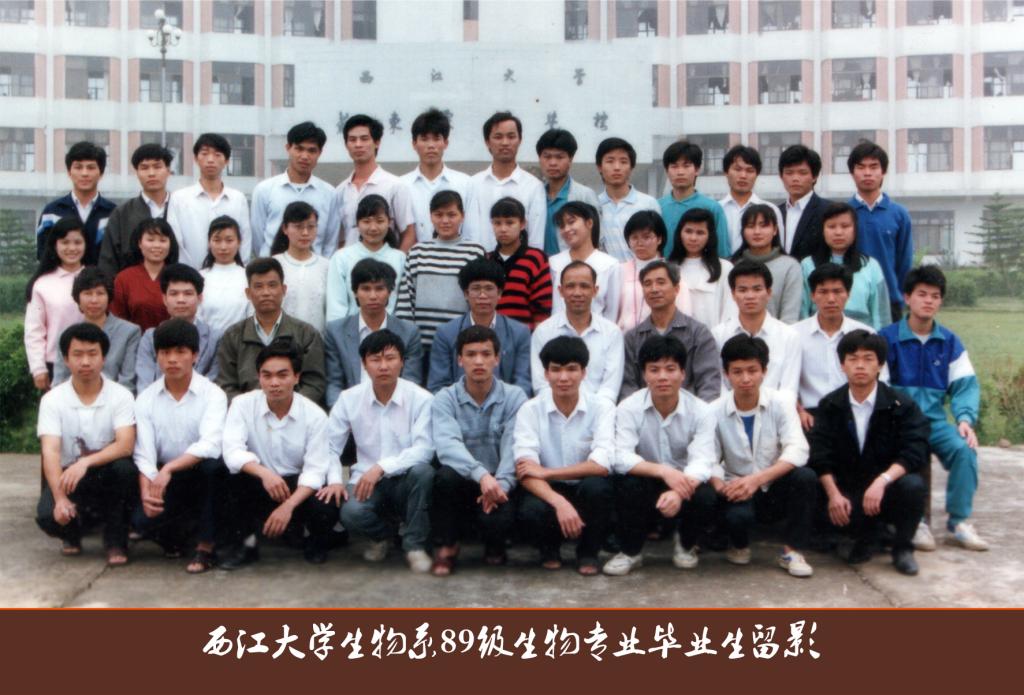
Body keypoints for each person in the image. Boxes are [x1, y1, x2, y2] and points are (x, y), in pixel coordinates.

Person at [879, 266, 989, 552]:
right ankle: (917, 523)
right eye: (922, 294)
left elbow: (965, 386)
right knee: (911, 456)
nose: (928, 301)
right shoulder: (887, 339)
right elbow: (881, 388)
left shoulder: (950, 342)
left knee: (964, 450)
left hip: (936, 423)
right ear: (907, 298)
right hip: (900, 423)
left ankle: (958, 523)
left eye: (935, 296)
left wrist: (964, 419)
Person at [809, 330, 929, 575]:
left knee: (913, 485)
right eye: (852, 359)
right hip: (848, 491)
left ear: (880, 365)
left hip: (885, 488)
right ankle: (865, 536)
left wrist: (882, 481)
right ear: (842, 365)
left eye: (868, 359)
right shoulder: (830, 405)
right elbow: (820, 453)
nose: (860, 366)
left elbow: (915, 449)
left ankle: (902, 548)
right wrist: (833, 494)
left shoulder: (901, 405)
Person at [604, 335, 718, 575]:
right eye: (654, 370)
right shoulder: (629, 407)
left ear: (683, 373)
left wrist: (678, 490)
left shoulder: (702, 411)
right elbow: (621, 456)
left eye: (670, 369)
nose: (662, 377)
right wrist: (664, 472)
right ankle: (631, 552)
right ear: (644, 374)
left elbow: (703, 460)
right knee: (626, 483)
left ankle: (685, 546)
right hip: (648, 477)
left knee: (706, 494)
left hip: (685, 481)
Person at [323, 330, 436, 573]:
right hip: (365, 480)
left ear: (402, 361)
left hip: (405, 478)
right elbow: (330, 445)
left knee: (424, 472)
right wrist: (335, 480)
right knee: (351, 513)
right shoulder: (349, 399)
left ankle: (414, 545)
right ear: (364, 364)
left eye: (390, 358)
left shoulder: (422, 399)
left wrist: (382, 467)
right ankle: (382, 536)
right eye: (375, 359)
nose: (383, 366)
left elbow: (425, 449)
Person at [219, 339, 338, 567]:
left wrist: (288, 506)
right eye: (267, 375)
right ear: (259, 377)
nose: (274, 383)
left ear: (296, 377)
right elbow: (232, 451)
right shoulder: (242, 405)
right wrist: (264, 474)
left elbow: (315, 470)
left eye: (283, 375)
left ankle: (314, 541)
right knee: (229, 478)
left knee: (325, 501)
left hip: (297, 487)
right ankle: (246, 546)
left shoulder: (315, 416)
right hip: (261, 481)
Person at [709, 334, 817, 578]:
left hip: (773, 486)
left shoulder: (781, 402)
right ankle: (738, 544)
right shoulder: (714, 410)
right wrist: (723, 488)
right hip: (736, 487)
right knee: (737, 521)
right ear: (726, 374)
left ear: (764, 372)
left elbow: (798, 448)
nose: (745, 379)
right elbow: (710, 458)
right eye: (737, 372)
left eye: (752, 370)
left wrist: (757, 480)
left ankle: (792, 550)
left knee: (805, 477)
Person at [430, 326, 528, 575]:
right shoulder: (445, 398)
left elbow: (514, 446)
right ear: (459, 360)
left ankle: (494, 543)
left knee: (498, 521)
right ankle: (448, 546)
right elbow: (447, 445)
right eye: (471, 354)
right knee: (444, 478)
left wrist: (500, 486)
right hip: (464, 478)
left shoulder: (514, 397)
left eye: (486, 354)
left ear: (497, 358)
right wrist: (481, 475)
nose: (479, 361)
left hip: (501, 480)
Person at [36, 323, 136, 566]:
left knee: (124, 469)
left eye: (93, 354)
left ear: (104, 358)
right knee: (48, 516)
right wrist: (60, 498)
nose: (85, 362)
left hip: (106, 472)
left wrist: (85, 462)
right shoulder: (52, 399)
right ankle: (72, 534)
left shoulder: (121, 395)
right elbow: (50, 451)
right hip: (69, 477)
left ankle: (115, 541)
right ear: (66, 359)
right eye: (77, 355)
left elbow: (125, 445)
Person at [133, 319, 228, 573]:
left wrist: (170, 469)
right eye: (165, 352)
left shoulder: (213, 394)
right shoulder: (145, 399)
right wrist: (148, 493)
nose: (172, 359)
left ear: (195, 355)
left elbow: (210, 444)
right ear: (157, 356)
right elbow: (144, 454)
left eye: (180, 352)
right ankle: (179, 536)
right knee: (142, 521)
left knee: (214, 468)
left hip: (199, 472)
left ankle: (205, 547)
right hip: (166, 477)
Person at [514, 336, 615, 576]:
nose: (563, 377)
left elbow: (601, 465)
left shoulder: (601, 407)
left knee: (598, 488)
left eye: (571, 369)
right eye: (556, 370)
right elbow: (525, 469)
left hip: (584, 486)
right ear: (546, 374)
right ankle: (549, 549)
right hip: (549, 490)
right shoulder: (530, 410)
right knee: (530, 509)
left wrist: (547, 472)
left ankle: (588, 552)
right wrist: (559, 502)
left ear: (584, 372)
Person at [216, 257, 326, 404]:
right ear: (248, 293)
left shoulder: (306, 334)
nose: (266, 292)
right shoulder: (233, 336)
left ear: (284, 290)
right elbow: (226, 385)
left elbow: (314, 384)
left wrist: (286, 408)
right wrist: (252, 409)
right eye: (258, 286)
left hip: (294, 412)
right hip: (247, 413)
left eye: (272, 285)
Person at [794, 263, 882, 431]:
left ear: (848, 294)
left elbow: (881, 380)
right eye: (823, 292)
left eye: (837, 291)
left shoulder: (866, 334)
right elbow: (785, 383)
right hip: (809, 416)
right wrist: (798, 411)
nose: (831, 299)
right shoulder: (794, 335)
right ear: (812, 295)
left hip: (856, 414)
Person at [324, 259, 423, 407]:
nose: (373, 296)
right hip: (351, 410)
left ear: (389, 291)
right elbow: (334, 383)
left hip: (397, 408)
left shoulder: (408, 333)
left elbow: (411, 382)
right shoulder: (336, 331)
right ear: (355, 292)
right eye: (366, 289)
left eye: (379, 288)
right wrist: (343, 413)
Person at [396, 190, 485, 354]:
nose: (445, 221)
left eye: (451, 215)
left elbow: (479, 299)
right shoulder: (417, 252)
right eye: (438, 215)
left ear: (462, 216)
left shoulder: (474, 252)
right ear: (430, 216)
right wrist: (408, 342)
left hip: (461, 345)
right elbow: (405, 303)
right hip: (420, 346)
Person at [620, 261, 720, 402]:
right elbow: (628, 386)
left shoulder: (698, 333)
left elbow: (709, 384)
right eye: (647, 284)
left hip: (691, 412)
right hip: (644, 413)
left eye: (661, 282)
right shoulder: (633, 338)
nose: (654, 289)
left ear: (676, 289)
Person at [429, 258, 532, 395]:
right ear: (466, 294)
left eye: (489, 289)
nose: (483, 295)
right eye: (476, 289)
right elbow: (438, 386)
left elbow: (523, 384)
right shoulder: (446, 333)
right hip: (457, 405)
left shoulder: (519, 332)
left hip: (507, 405)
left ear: (499, 293)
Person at [531, 261, 624, 403]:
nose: (577, 293)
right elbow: (541, 385)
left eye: (584, 286)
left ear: (595, 290)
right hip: (554, 410)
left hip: (599, 412)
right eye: (570, 286)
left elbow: (610, 388)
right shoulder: (544, 332)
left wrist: (591, 411)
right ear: (560, 291)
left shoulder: (612, 332)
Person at [250, 121, 342, 257]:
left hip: (315, 268)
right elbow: (258, 240)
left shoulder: (329, 193)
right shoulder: (264, 190)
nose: (304, 156)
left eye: (311, 150)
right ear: (288, 148)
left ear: (320, 153)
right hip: (273, 266)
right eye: (299, 149)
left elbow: (330, 243)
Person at [711, 260, 801, 397]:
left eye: (757, 289)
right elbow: (720, 386)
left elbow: (789, 390)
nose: (750, 296)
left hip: (775, 409)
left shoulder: (789, 336)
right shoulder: (718, 335)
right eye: (742, 290)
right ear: (733, 294)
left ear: (769, 292)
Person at [847, 141, 913, 322]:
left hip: (890, 302)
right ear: (852, 173)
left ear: (883, 171)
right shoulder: (843, 214)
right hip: (850, 302)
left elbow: (905, 262)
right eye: (861, 167)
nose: (867, 173)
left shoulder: (899, 214)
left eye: (874, 167)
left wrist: (900, 296)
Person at [166, 132, 252, 268]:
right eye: (204, 153)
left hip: (230, 274)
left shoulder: (238, 198)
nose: (210, 160)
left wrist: (238, 270)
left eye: (217, 154)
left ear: (227, 161)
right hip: (189, 275)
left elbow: (245, 239)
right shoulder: (179, 198)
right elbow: (176, 242)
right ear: (196, 158)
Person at [462, 111, 546, 249]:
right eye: (498, 137)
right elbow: (468, 232)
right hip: (480, 260)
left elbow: (536, 240)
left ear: (520, 140)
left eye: (511, 136)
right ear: (487, 142)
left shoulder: (534, 187)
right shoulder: (473, 184)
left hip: (521, 261)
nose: (505, 143)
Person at [800, 201, 891, 329]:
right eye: (831, 227)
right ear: (822, 230)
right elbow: (802, 311)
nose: (838, 232)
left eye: (845, 226)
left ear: (855, 229)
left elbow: (881, 316)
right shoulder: (807, 265)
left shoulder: (871, 266)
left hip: (861, 337)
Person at [135, 263, 221, 391]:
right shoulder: (150, 337)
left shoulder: (215, 338)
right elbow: (144, 383)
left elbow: (214, 381)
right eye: (174, 294)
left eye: (188, 294)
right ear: (164, 299)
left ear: (199, 298)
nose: (181, 300)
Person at [53, 268, 141, 391]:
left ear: (109, 297)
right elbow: (60, 380)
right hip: (74, 398)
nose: (94, 300)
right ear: (77, 298)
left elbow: (128, 380)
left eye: (100, 293)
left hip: (116, 399)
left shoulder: (129, 332)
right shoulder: (66, 334)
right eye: (88, 293)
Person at [337, 114, 417, 251]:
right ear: (346, 145)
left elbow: (409, 234)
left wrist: (397, 262)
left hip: (385, 263)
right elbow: (341, 238)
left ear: (377, 142)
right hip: (350, 263)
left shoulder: (395, 186)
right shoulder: (341, 190)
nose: (358, 145)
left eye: (364, 139)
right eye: (352, 140)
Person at [24, 216, 86, 390]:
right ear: (55, 245)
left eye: (77, 242)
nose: (72, 248)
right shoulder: (42, 284)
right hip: (54, 364)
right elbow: (34, 330)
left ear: (86, 245)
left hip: (92, 362)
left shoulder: (96, 278)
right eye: (65, 242)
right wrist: (38, 368)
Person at [325, 194, 406, 322]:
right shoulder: (341, 258)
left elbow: (402, 306)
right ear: (357, 223)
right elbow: (336, 307)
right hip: (350, 331)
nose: (373, 228)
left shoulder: (400, 259)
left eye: (380, 221)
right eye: (366, 221)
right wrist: (339, 333)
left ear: (389, 222)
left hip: (391, 332)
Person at [98, 143, 173, 279]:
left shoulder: (182, 207)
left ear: (168, 170)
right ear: (136, 173)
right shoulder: (122, 213)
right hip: (132, 288)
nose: (151, 173)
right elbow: (109, 260)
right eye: (144, 168)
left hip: (178, 287)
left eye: (157, 167)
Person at [35, 141, 115, 265]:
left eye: (91, 167)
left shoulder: (114, 214)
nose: (84, 173)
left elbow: (118, 258)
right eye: (78, 167)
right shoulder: (51, 213)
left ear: (101, 173)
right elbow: (43, 256)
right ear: (69, 172)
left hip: (101, 278)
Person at [399, 108, 472, 244]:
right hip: (414, 256)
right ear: (414, 144)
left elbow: (469, 230)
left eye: (436, 139)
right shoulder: (401, 185)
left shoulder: (464, 183)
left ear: (446, 143)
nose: (431, 145)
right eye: (424, 139)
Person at [616, 210, 691, 332]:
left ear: (659, 239)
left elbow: (684, 311)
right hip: (626, 338)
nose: (640, 243)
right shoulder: (619, 270)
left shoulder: (672, 271)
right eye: (634, 237)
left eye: (646, 237)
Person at [486, 196, 553, 329]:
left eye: (510, 223)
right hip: (490, 335)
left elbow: (542, 306)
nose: (503, 229)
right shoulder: (487, 260)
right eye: (497, 223)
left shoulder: (536, 258)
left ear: (522, 224)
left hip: (524, 334)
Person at [549, 201, 621, 321]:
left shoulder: (610, 264)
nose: (566, 229)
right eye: (562, 226)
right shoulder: (554, 263)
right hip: (557, 330)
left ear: (589, 223)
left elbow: (612, 312)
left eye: (571, 222)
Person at [731, 203, 803, 324]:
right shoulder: (732, 265)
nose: (757, 232)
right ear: (743, 231)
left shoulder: (790, 266)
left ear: (775, 230)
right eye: (750, 226)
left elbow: (790, 316)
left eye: (763, 226)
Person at [658, 140, 730, 258]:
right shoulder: (657, 207)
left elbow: (722, 253)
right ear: (667, 171)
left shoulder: (712, 208)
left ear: (697, 169)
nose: (680, 172)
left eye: (686, 166)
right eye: (674, 166)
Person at [668, 208, 738, 328]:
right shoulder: (668, 268)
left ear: (710, 236)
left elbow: (730, 312)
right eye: (688, 231)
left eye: (700, 233)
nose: (693, 238)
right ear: (679, 233)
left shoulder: (724, 268)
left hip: (713, 336)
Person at [594, 137, 660, 261]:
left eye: (623, 162)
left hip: (641, 271)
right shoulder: (595, 205)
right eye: (610, 161)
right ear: (599, 167)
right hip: (607, 272)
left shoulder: (648, 203)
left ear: (631, 167)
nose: (617, 167)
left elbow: (658, 245)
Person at [535, 128, 599, 256]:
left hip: (574, 264)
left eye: (559, 157)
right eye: (547, 156)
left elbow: (596, 236)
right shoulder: (535, 194)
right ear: (539, 158)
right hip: (539, 265)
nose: (553, 163)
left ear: (570, 159)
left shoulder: (585, 195)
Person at [270, 201, 331, 333]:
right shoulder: (273, 265)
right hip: (280, 341)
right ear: (285, 228)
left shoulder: (327, 266)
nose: (305, 233)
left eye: (311, 227)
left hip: (317, 341)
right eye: (298, 227)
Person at [111, 217, 179, 331]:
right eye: (150, 240)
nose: (157, 245)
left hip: (173, 339)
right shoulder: (124, 278)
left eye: (163, 240)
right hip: (134, 340)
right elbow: (117, 320)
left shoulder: (179, 276)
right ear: (139, 243)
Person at [718, 145, 783, 254]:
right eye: (737, 169)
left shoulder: (771, 210)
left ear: (756, 175)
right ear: (726, 172)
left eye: (750, 170)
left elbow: (779, 248)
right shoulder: (716, 209)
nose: (743, 175)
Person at [197, 215, 252, 334]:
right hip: (206, 340)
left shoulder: (248, 276)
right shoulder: (199, 277)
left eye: (229, 240)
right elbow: (196, 315)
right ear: (209, 243)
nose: (223, 247)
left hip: (240, 340)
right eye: (217, 240)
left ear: (239, 242)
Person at [777, 144, 830, 260]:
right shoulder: (775, 213)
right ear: (781, 176)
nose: (795, 178)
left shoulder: (828, 211)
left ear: (814, 176)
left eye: (802, 173)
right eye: (789, 173)